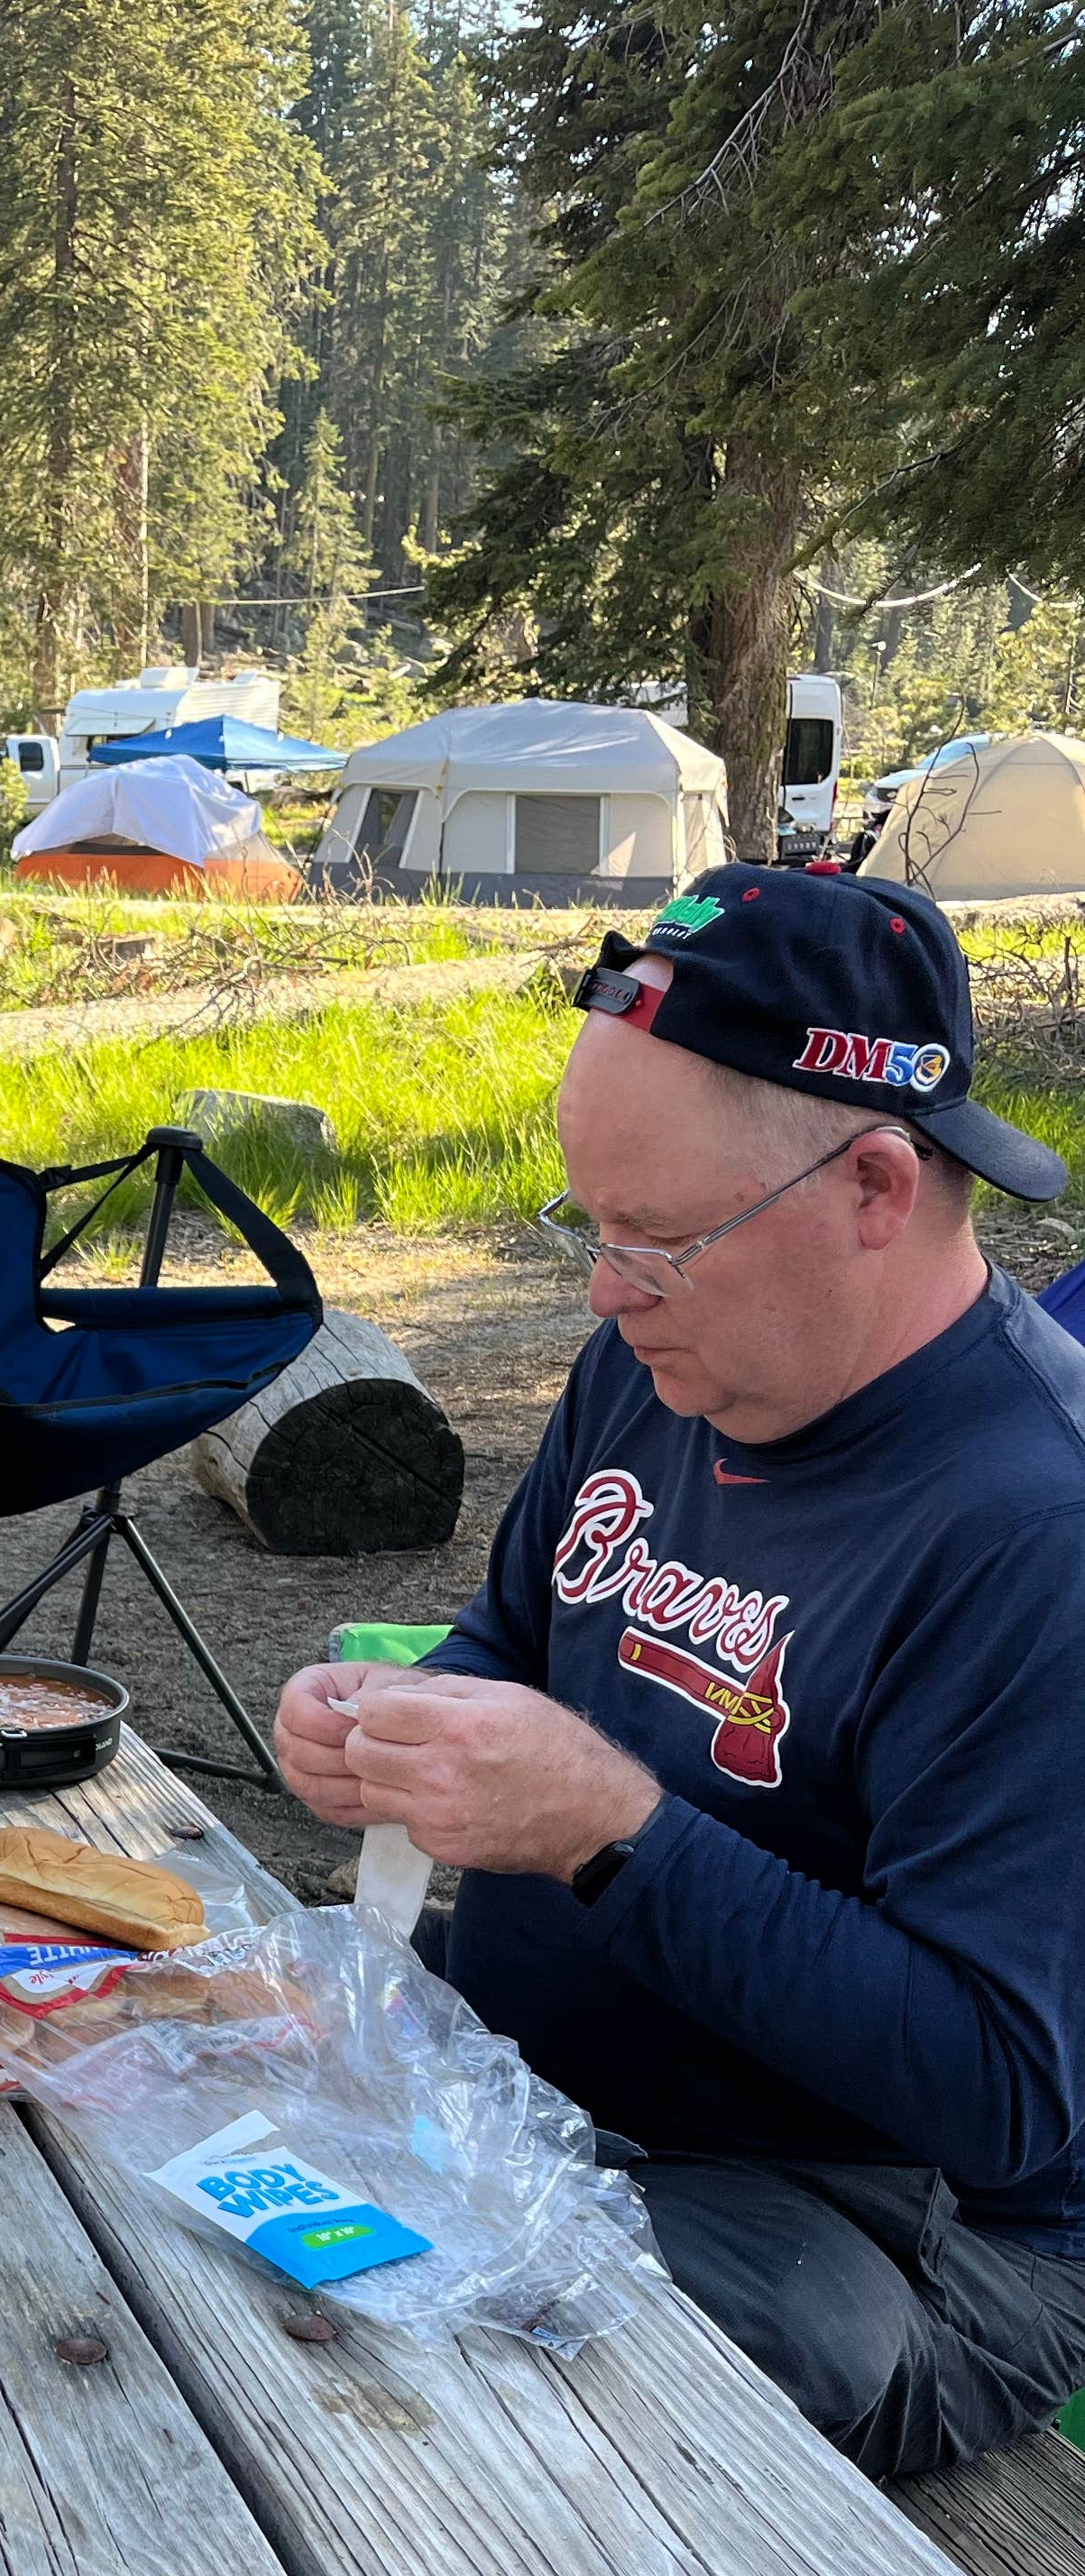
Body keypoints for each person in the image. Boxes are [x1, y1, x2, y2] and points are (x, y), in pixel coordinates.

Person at [275, 866, 1085, 2479]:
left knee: (381, 2391)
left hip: (880, 2230)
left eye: (656, 1239)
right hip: (546, 2092)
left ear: (876, 1186)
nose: (604, 1289)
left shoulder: (1033, 1531)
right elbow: (515, 1642)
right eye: (592, 1226)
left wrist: (611, 1832)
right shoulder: (656, 1363)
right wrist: (402, 1720)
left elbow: (999, 2092)